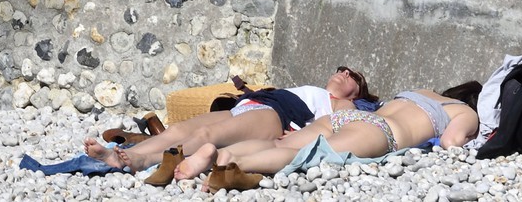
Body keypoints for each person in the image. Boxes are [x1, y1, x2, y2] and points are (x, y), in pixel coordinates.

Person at [182, 81, 482, 185]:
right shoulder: (465, 112)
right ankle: (232, 161)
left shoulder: (420, 90)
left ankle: (214, 153)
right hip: (379, 131)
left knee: (277, 141)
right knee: (299, 155)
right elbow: (450, 141)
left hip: (350, 117)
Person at [85, 67, 373, 174]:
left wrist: (303, 134)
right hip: (250, 105)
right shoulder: (316, 90)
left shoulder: (342, 104)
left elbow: (339, 128)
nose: (344, 74)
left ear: (357, 92)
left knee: (207, 134)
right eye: (342, 69)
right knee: (180, 129)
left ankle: (139, 162)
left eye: (353, 77)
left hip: (275, 117)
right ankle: (122, 155)